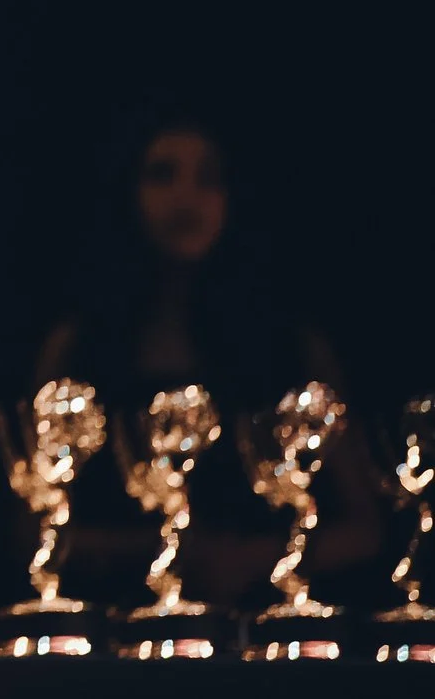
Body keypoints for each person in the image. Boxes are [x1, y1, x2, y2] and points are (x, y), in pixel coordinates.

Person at [33, 115, 378, 609]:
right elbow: (31, 528)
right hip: (116, 628)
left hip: (258, 628)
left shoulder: (292, 349)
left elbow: (364, 527)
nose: (185, 198)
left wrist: (253, 559)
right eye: (162, 175)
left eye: (208, 178)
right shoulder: (78, 348)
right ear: (126, 192)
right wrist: (170, 553)